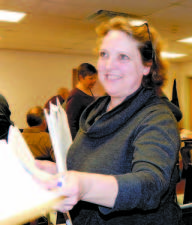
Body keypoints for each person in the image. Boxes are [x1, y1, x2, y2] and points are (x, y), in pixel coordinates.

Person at [36, 17, 181, 224]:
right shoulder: (96, 111)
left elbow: (150, 185)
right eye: (104, 54)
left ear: (146, 66)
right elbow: (91, 165)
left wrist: (84, 186)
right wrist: (58, 172)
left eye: (123, 56)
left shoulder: (157, 117)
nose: (109, 65)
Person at [65, 63, 97, 139]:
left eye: (95, 78)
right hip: (81, 141)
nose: (94, 81)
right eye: (91, 78)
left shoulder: (89, 92)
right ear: (81, 77)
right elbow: (71, 123)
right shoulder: (75, 96)